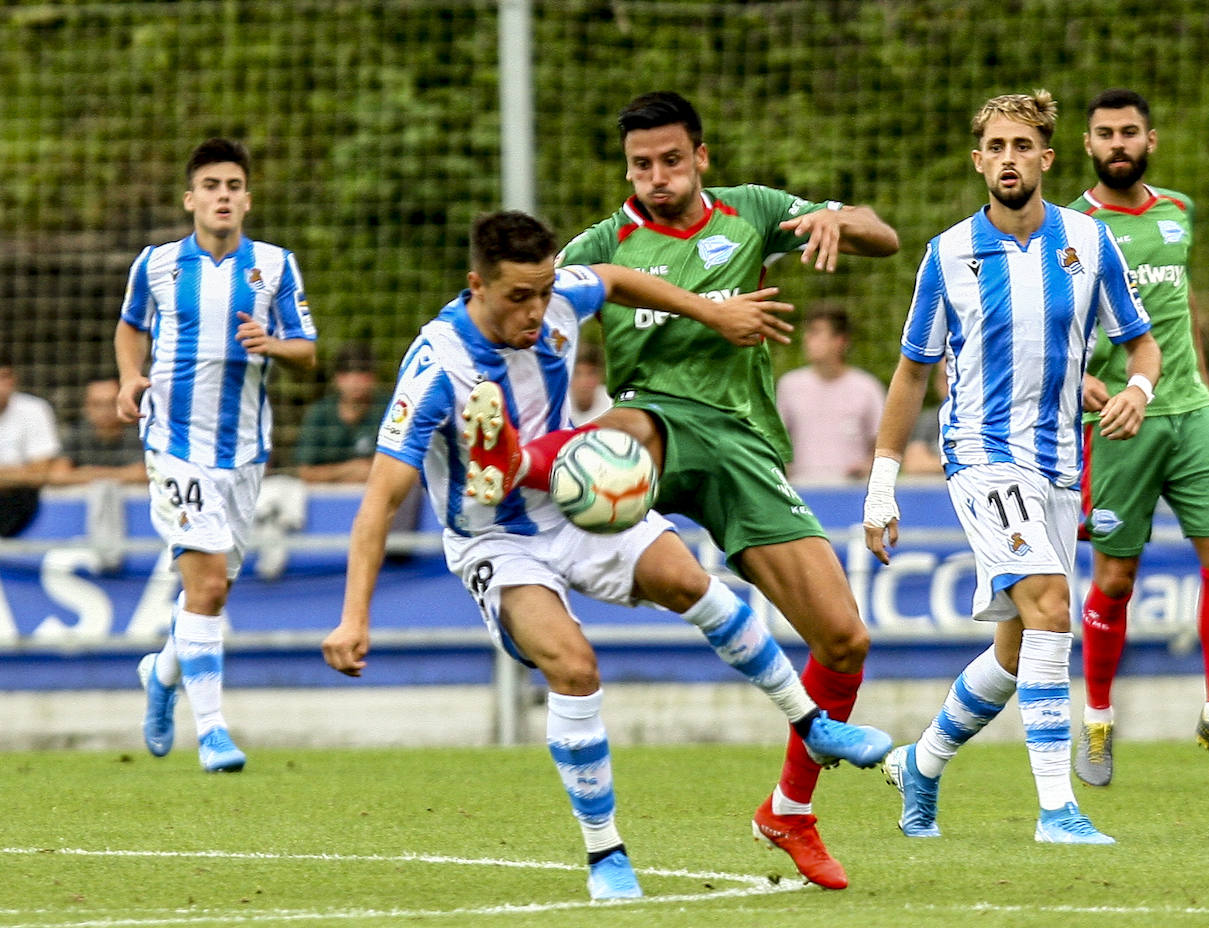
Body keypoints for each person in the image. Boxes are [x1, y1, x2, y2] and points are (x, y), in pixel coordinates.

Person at [321, 211, 891, 901]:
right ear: (476, 284)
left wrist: (711, 313)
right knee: (574, 665)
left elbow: (617, 279)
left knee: (690, 580)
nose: (536, 311)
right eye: (517, 298)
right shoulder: (438, 366)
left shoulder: (559, 293)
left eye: (543, 292)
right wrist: (354, 619)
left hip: (571, 500)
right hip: (496, 542)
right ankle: (606, 855)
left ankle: (812, 723)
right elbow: (380, 502)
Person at [460, 91, 899, 889]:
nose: (656, 177)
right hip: (649, 431)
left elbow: (884, 235)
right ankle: (522, 500)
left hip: (741, 448)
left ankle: (789, 812)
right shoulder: (603, 244)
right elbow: (501, 304)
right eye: (640, 165)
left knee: (844, 639)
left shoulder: (755, 213)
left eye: (670, 160)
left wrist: (840, 220)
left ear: (702, 157)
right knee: (624, 431)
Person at [863, 90, 1160, 844]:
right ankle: (1057, 810)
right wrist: (882, 485)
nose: (1007, 159)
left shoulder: (1089, 244)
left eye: (1021, 146)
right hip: (982, 458)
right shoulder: (948, 254)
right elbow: (910, 374)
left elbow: (1140, 341)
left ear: (1046, 158)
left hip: (1060, 463)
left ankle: (921, 762)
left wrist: (1136, 388)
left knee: (1018, 646)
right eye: (994, 147)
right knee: (1054, 608)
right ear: (978, 160)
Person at [1068, 89, 1209, 787]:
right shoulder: (1072, 227)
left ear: (1150, 140)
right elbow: (1058, 324)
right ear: (1088, 146)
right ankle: (1095, 720)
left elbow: (1182, 305)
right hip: (1120, 422)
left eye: (1128, 132)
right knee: (1116, 577)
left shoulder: (1179, 212)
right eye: (1104, 134)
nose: (1117, 143)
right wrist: (1082, 386)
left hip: (1190, 412)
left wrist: (1206, 389)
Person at [116, 138, 318, 773]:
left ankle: (163, 670)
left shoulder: (277, 268)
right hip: (173, 442)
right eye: (210, 185)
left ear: (247, 199)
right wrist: (129, 378)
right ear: (191, 199)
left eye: (233, 185)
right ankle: (212, 732)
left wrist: (272, 343)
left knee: (210, 594)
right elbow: (130, 327)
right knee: (203, 585)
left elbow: (308, 350)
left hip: (245, 453)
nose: (222, 195)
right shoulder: (156, 264)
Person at [776, 304, 886, 481]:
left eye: (816, 333)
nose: (807, 339)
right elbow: (775, 440)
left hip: (851, 493)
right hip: (801, 490)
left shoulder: (867, 387)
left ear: (840, 341)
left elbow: (885, 443)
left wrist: (868, 465)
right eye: (808, 332)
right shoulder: (789, 386)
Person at [295, 342, 390, 483]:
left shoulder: (391, 410)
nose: (355, 381)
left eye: (362, 373)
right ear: (337, 378)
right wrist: (352, 469)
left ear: (373, 378)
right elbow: (305, 472)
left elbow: (407, 467)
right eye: (347, 373)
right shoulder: (319, 413)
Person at [0, 356, 61, 537]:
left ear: (14, 380)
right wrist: (17, 473)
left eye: (4, 377)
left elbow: (38, 473)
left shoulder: (34, 409)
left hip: (18, 502)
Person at [48, 377, 147, 485]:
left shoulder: (138, 433)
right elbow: (57, 475)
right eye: (97, 404)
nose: (105, 411)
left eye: (111, 403)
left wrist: (90, 473)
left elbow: (144, 474)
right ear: (86, 407)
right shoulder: (77, 433)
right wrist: (121, 474)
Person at [569, 341, 613, 426]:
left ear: (601, 375)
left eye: (591, 373)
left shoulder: (612, 404)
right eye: (577, 373)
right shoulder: (558, 404)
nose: (584, 381)